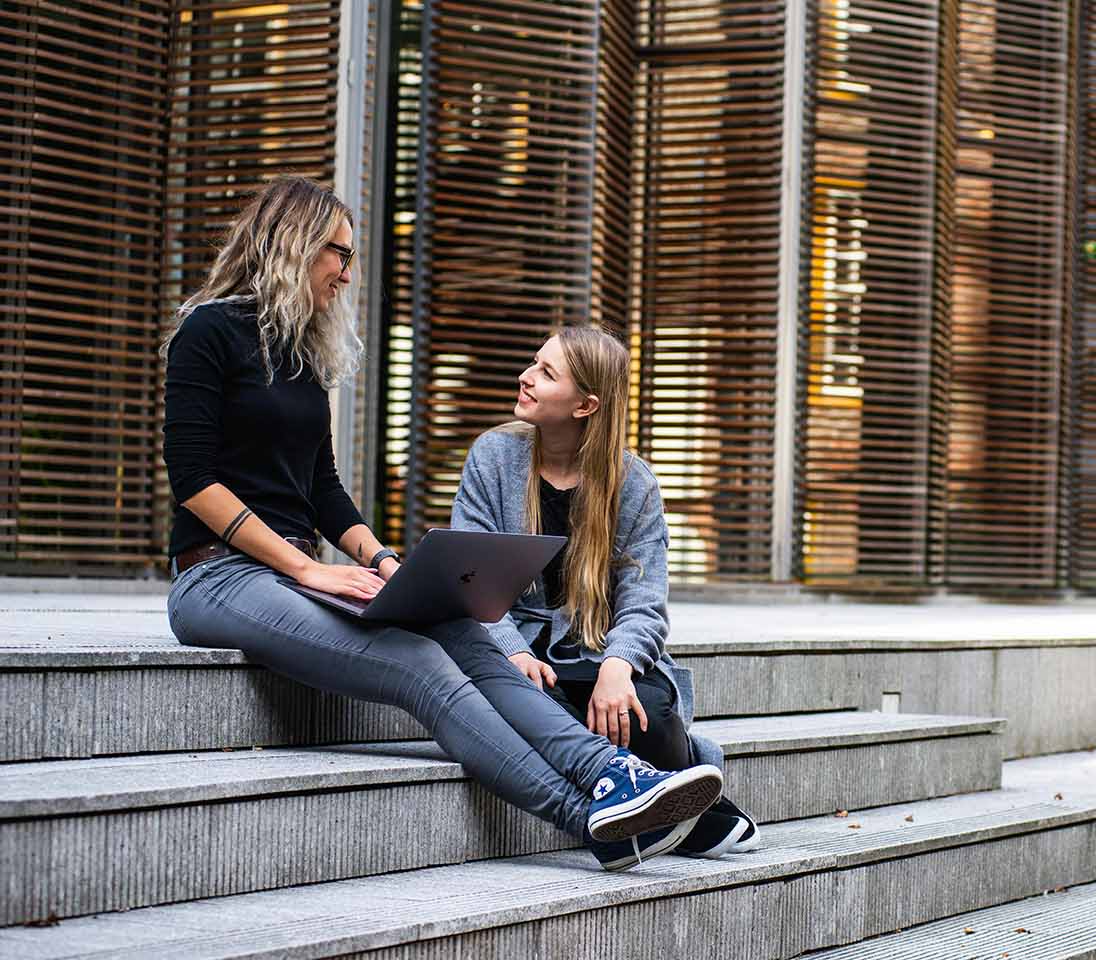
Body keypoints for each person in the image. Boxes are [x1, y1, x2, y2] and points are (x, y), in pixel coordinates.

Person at [161, 176, 721, 871]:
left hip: (298, 576)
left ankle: (612, 773)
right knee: (421, 664)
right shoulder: (207, 331)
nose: (347, 270)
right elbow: (193, 483)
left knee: (459, 628)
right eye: (339, 252)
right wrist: (306, 566)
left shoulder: (302, 354)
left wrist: (390, 565)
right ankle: (589, 819)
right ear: (293, 243)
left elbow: (325, 491)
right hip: (218, 577)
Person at [451, 325, 759, 860]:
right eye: (533, 362)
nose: (525, 377)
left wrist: (618, 666)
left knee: (648, 713)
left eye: (546, 373)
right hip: (515, 646)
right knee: (532, 706)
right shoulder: (493, 456)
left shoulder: (633, 481)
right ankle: (696, 813)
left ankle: (668, 795)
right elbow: (468, 575)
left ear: (585, 405)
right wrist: (513, 649)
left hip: (595, 649)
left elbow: (645, 600)